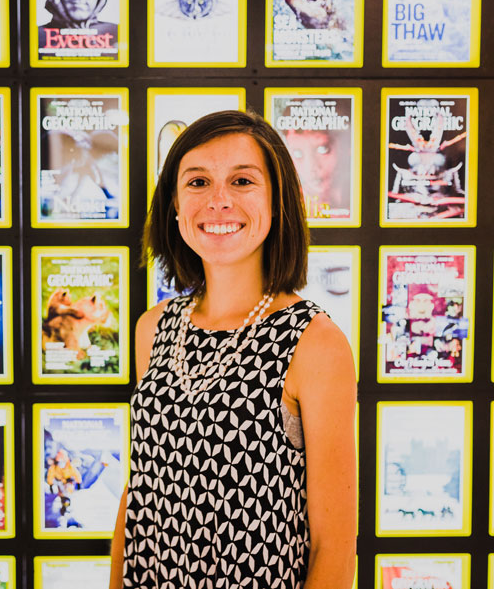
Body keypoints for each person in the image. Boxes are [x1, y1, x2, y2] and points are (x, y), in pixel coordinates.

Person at [110, 110, 356, 588]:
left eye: (242, 180)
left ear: (278, 199)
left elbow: (336, 547)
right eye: (198, 182)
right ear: (175, 207)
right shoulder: (153, 329)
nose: (218, 201)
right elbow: (141, 489)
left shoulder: (315, 343)